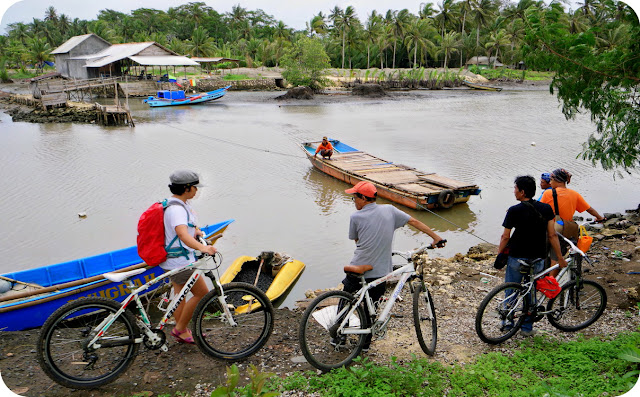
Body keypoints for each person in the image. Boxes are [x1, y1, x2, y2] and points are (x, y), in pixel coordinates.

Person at [342, 181, 446, 350]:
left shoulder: (355, 217)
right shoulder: (390, 210)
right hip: (380, 271)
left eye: (355, 198)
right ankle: (365, 345)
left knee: (346, 298)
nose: (354, 201)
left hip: (358, 266)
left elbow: (357, 241)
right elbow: (413, 221)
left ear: (363, 198)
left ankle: (337, 336)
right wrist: (435, 237)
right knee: (372, 308)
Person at [498, 175, 567, 337]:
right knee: (532, 291)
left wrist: (500, 253)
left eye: (515, 188)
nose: (514, 191)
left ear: (522, 192)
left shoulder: (514, 210)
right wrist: (560, 257)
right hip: (538, 257)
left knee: (511, 289)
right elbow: (552, 235)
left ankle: (508, 322)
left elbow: (505, 237)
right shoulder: (546, 209)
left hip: (516, 257)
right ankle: (527, 328)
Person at [160, 170, 217, 344]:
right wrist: (204, 248)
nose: (197, 191)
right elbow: (183, 235)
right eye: (194, 187)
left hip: (172, 260)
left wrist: (196, 231)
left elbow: (184, 230)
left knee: (179, 295)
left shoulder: (173, 204)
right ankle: (179, 330)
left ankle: (182, 330)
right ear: (186, 188)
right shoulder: (177, 210)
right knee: (202, 294)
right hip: (180, 261)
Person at [540, 168, 604, 274]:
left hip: (551, 229)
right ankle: (552, 282)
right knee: (556, 256)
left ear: (557, 180)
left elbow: (539, 210)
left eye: (551, 179)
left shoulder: (548, 194)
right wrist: (599, 217)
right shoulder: (574, 194)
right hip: (566, 229)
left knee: (543, 255)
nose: (550, 182)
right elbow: (589, 209)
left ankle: (545, 282)